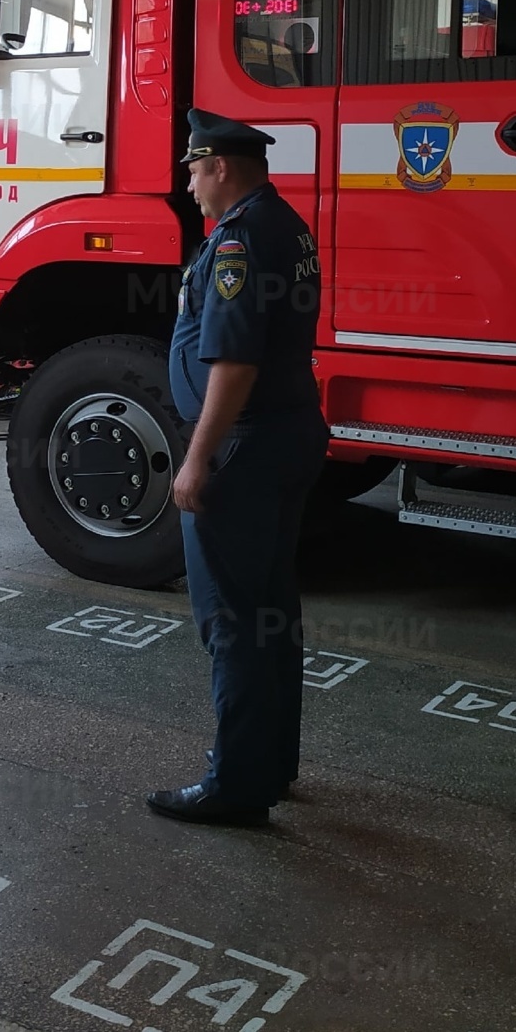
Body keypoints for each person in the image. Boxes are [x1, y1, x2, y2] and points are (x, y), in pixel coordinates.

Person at [148, 109, 329, 827]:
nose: (189, 186)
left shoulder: (237, 244)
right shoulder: (285, 225)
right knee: (272, 612)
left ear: (220, 165)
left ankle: (237, 786)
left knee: (232, 621)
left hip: (243, 446)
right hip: (288, 435)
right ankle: (270, 765)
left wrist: (196, 463)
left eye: (193, 170)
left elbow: (234, 364)